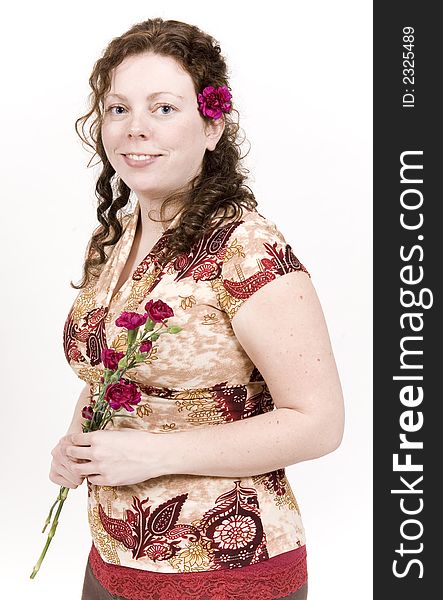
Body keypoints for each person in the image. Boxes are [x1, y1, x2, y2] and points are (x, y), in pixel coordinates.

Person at [50, 17, 344, 600]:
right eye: (117, 108)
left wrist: (153, 454)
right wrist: (74, 439)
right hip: (114, 558)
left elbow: (320, 422)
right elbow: (114, 372)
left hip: (225, 572)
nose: (135, 130)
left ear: (212, 126)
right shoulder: (118, 236)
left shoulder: (246, 248)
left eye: (163, 108)